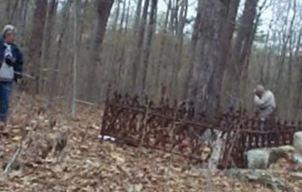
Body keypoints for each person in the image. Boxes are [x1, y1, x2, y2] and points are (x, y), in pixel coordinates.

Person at [0, 25, 23, 122]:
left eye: (13, 35)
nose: (12, 37)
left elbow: (19, 63)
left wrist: (18, 75)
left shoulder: (16, 50)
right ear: (5, 35)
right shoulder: (0, 46)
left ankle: (2, 122)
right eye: (9, 34)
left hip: (8, 79)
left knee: (5, 102)